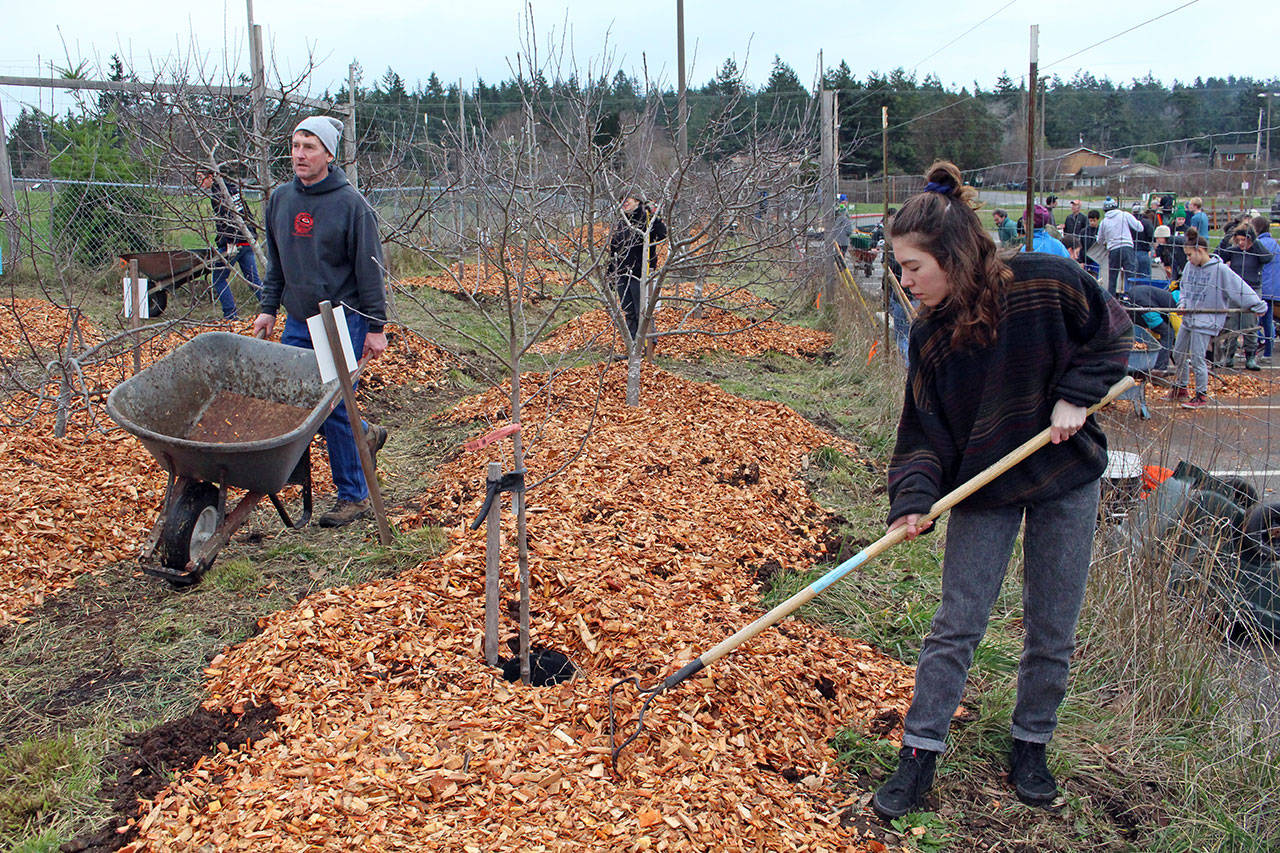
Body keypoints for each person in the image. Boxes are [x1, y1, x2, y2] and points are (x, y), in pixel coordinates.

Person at [870, 161, 1131, 820]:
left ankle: (1031, 744)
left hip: (1062, 471)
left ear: (951, 257)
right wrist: (913, 500)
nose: (904, 281)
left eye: (911, 267)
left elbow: (1112, 335)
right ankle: (920, 752)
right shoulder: (931, 335)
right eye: (899, 268)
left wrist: (1077, 396)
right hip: (984, 485)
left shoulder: (1046, 285)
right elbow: (923, 434)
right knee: (956, 622)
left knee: (1052, 623)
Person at [252, 116, 389, 528]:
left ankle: (354, 496)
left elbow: (371, 270)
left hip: (340, 319)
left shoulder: (352, 206)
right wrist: (267, 307)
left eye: (309, 146)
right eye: (295, 145)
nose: (299, 154)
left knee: (332, 403)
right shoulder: (280, 200)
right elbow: (277, 264)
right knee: (301, 402)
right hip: (298, 317)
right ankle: (363, 433)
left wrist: (376, 327)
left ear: (328, 154)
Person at [1167, 227, 1267, 409]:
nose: (1188, 259)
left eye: (1190, 255)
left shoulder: (1220, 270)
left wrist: (1256, 304)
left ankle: (1201, 395)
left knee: (1198, 358)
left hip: (1207, 320)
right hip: (1189, 318)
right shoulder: (1190, 267)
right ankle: (1182, 386)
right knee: (1177, 353)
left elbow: (1239, 288)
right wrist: (1182, 304)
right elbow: (1185, 289)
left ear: (1201, 250)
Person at [197, 168, 263, 320]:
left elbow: (226, 223)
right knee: (253, 280)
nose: (199, 183)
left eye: (201, 178)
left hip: (233, 243)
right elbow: (246, 214)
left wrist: (226, 243)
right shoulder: (232, 189)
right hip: (247, 240)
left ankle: (230, 315)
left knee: (218, 279)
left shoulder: (218, 196)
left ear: (211, 177)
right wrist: (251, 235)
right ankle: (271, 309)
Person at [607, 192, 667, 343]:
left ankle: (648, 344)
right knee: (629, 311)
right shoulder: (622, 222)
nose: (623, 202)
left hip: (640, 272)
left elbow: (662, 234)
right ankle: (633, 347)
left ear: (637, 201)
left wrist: (655, 216)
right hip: (622, 273)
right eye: (621, 199)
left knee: (642, 311)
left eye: (627, 199)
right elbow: (614, 248)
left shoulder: (646, 218)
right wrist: (610, 272)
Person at [1214, 223, 1274, 370]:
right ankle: (1229, 355)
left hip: (1252, 290)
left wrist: (1254, 241)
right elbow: (1218, 255)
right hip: (1234, 292)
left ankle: (1250, 356)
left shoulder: (1257, 251)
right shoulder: (1234, 251)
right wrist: (1227, 238)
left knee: (1250, 325)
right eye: (1239, 240)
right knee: (1231, 324)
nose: (1241, 243)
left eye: (1244, 240)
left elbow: (1268, 258)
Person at [1123, 284, 1177, 375]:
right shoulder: (1182, 302)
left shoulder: (1173, 295)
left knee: (1164, 331)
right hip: (1144, 303)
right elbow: (1178, 329)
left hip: (1134, 297)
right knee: (1168, 333)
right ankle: (1159, 368)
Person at [1096, 197, 1143, 294]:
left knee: (1112, 277)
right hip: (1127, 247)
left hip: (1113, 249)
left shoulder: (1104, 222)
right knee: (1130, 276)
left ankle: (1111, 299)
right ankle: (1132, 298)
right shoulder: (1124, 215)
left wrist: (1106, 240)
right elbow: (1139, 228)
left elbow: (1099, 240)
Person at [1252, 215, 1280, 360]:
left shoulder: (1259, 244)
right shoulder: (1274, 243)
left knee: (1258, 319)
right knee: (1267, 320)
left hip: (1264, 286)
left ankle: (1261, 344)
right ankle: (1266, 349)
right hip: (1274, 287)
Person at [1132, 203, 1156, 278]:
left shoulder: (1128, 222)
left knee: (1131, 277)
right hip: (1143, 251)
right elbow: (1152, 237)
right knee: (1145, 277)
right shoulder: (1146, 222)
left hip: (1130, 251)